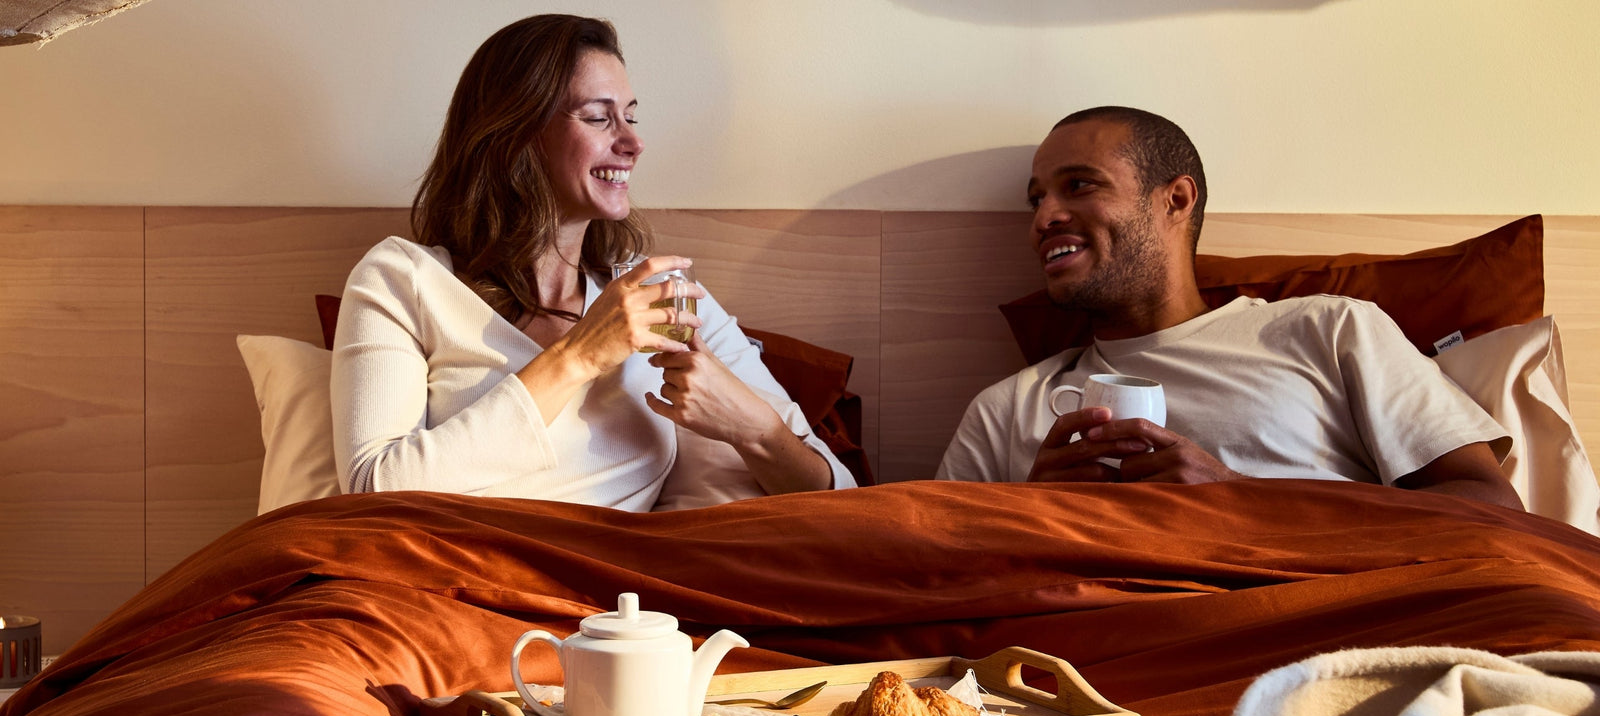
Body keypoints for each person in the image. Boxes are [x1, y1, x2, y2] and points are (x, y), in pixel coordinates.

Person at [330, 14, 853, 511]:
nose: (633, 142)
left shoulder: (658, 292)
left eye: (631, 115)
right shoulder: (403, 279)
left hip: (614, 595)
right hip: (447, 580)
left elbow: (839, 496)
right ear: (513, 134)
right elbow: (372, 491)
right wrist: (579, 356)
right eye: (600, 118)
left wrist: (756, 430)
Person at [936, 106, 1523, 510]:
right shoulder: (1006, 411)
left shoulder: (1330, 330)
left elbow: (1491, 505)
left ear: (1176, 199)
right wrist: (1032, 517)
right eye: (1036, 199)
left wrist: (1243, 497)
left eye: (1079, 186)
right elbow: (932, 579)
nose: (1044, 218)